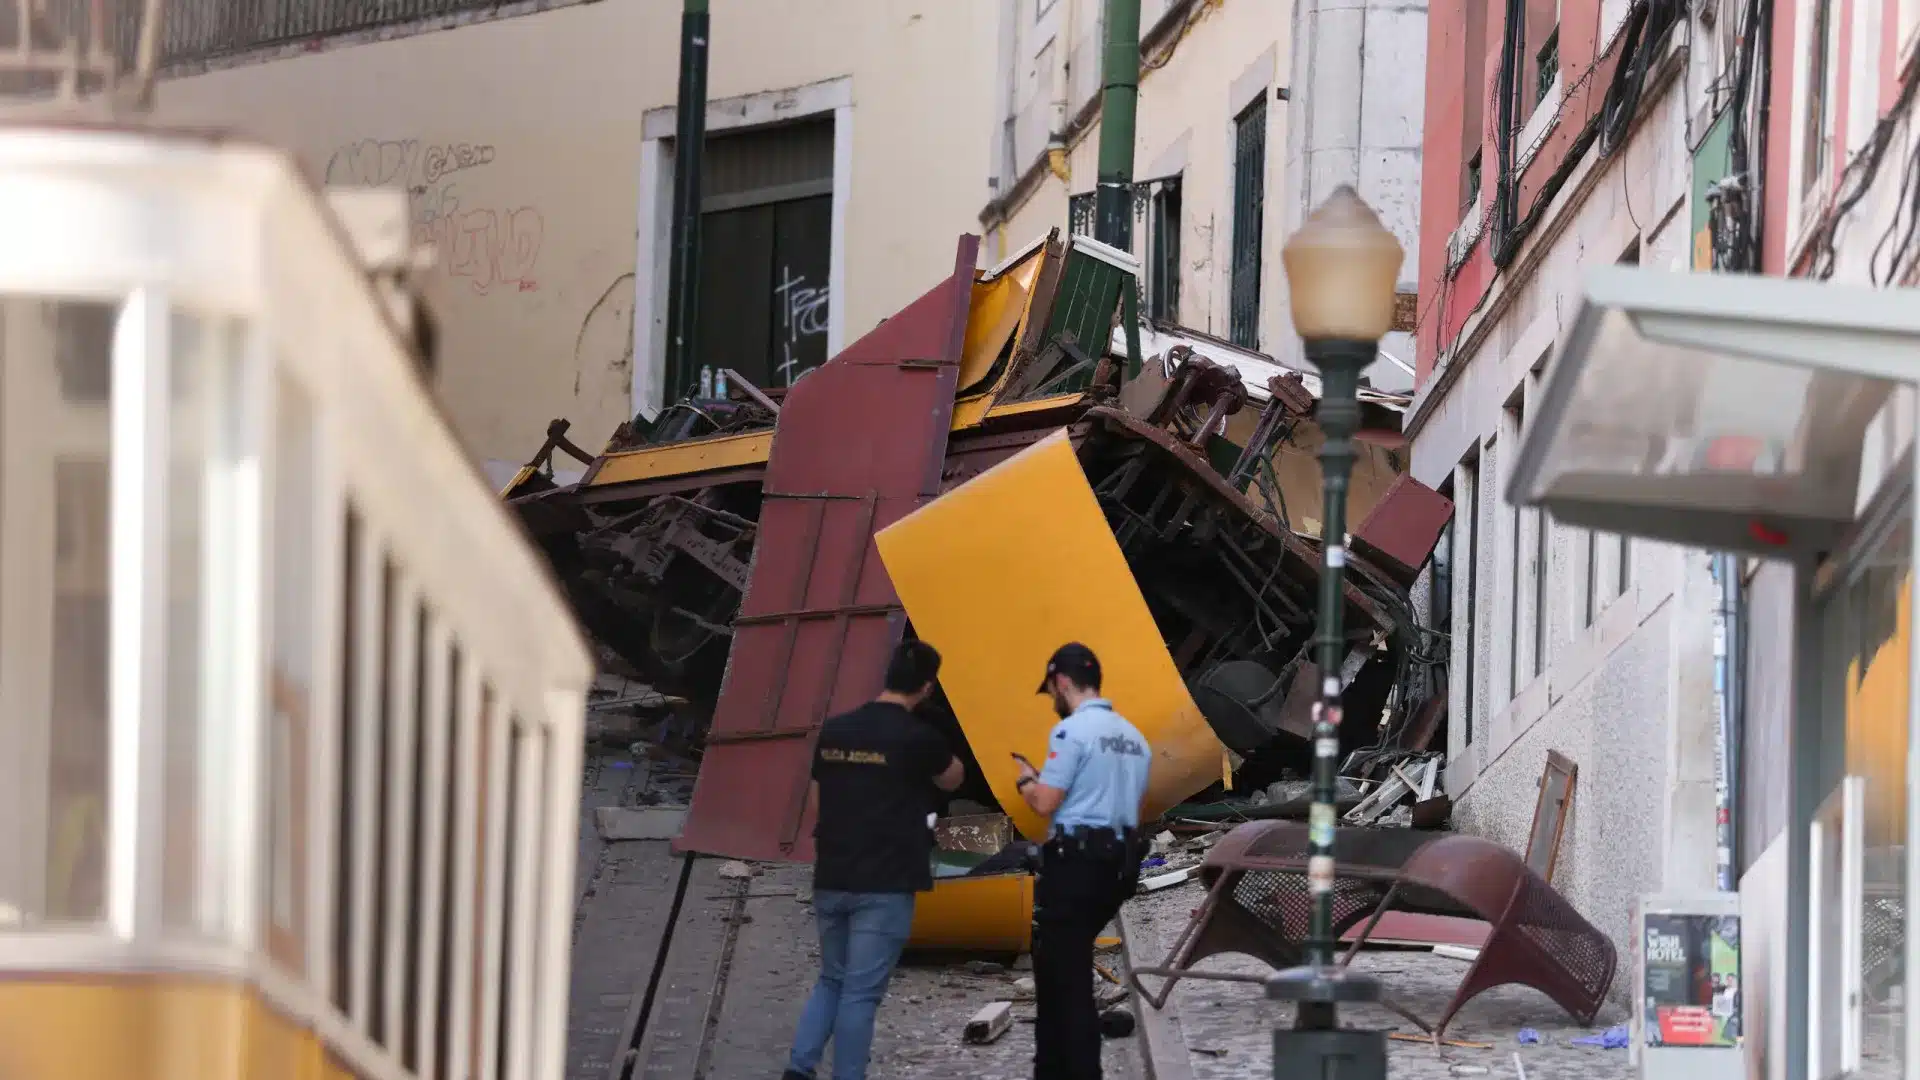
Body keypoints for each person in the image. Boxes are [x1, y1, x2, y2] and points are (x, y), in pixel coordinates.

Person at [784, 638, 965, 1080]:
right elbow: (953, 780)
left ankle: (799, 1068)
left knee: (832, 979)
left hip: (833, 874)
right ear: (926, 687)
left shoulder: (836, 730)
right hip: (885, 883)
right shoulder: (920, 737)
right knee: (861, 994)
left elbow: (816, 804)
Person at [1013, 642, 1152, 1080]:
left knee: (1067, 980)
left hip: (1077, 863)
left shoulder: (1070, 733)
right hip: (1119, 866)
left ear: (1062, 682)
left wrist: (1026, 779)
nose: (1054, 699)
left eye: (1052, 690)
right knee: (1057, 968)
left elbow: (1045, 803)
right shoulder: (1133, 738)